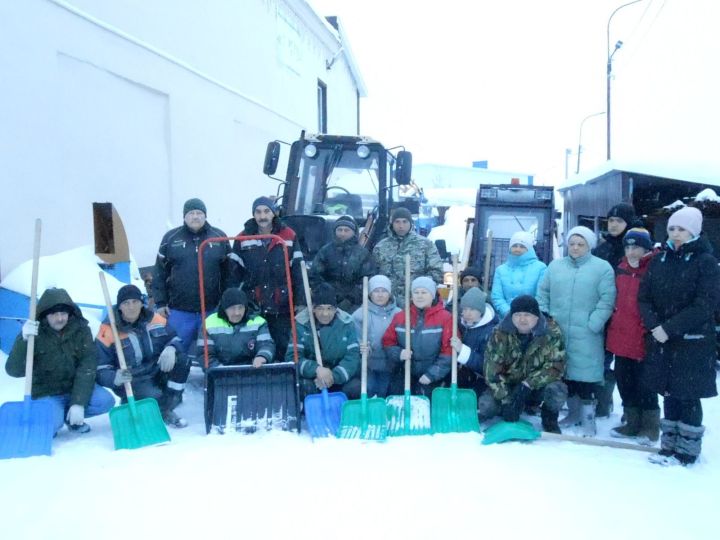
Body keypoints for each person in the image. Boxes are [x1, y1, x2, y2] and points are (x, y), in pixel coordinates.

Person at [638, 206, 719, 466]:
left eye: (681, 229)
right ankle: (668, 447)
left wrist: (668, 328)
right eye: (672, 228)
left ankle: (687, 451)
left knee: (688, 395)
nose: (675, 233)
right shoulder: (660, 259)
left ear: (693, 231)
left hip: (692, 341)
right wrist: (654, 326)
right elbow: (645, 297)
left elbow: (705, 304)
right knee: (669, 392)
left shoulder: (705, 261)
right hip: (662, 339)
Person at [537, 226, 616, 437]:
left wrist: (594, 323)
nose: (575, 248)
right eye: (572, 243)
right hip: (558, 331)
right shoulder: (555, 267)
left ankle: (588, 418)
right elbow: (542, 293)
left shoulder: (602, 268)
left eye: (581, 244)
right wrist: (547, 319)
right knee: (565, 374)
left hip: (588, 332)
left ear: (589, 246)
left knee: (586, 376)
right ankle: (572, 414)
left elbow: (607, 299)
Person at [6, 288, 114, 435]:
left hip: (74, 388)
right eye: (54, 314)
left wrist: (78, 403)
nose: (60, 318)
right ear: (45, 315)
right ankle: (52, 418)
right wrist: (23, 340)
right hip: (47, 393)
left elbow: (87, 367)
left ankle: (72, 418)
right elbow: (13, 370)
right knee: (52, 425)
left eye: (63, 313)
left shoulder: (81, 331)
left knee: (105, 400)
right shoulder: (33, 335)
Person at [96, 285, 190, 428]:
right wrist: (114, 377)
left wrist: (171, 348)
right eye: (126, 303)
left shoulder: (155, 319)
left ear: (141, 303)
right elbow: (100, 368)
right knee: (153, 396)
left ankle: (172, 399)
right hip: (132, 378)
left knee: (182, 360)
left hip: (155, 370)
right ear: (119, 307)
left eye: (135, 302)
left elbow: (175, 338)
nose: (131, 307)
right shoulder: (107, 330)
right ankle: (161, 409)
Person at [152, 198, 233, 352]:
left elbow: (230, 274)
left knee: (214, 352)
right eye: (191, 213)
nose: (195, 217)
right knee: (175, 350)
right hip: (180, 311)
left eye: (199, 213)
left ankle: (211, 376)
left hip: (212, 310)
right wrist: (161, 302)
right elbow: (159, 273)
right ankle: (175, 376)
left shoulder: (219, 237)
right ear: (184, 216)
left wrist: (226, 301)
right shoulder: (170, 238)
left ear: (205, 215)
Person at [479, 295, 567, 433]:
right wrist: (506, 400)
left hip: (535, 386)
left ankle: (549, 418)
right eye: (517, 315)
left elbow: (556, 367)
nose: (522, 319)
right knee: (487, 406)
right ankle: (506, 411)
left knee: (557, 390)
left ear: (536, 316)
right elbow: (492, 370)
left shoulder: (551, 332)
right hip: (508, 384)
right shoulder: (500, 333)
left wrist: (527, 385)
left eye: (527, 315)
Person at [231, 196, 303, 362]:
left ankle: (282, 376)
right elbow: (233, 274)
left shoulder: (289, 236)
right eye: (258, 212)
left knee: (282, 343)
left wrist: (300, 302)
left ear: (274, 213)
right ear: (253, 214)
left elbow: (298, 272)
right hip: (253, 303)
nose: (262, 216)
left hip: (282, 303)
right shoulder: (242, 238)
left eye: (266, 211)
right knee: (254, 343)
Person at [605, 228, 660, 443]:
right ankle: (631, 421)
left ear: (646, 248)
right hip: (620, 334)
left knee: (645, 383)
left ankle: (650, 426)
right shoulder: (621, 268)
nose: (631, 251)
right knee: (624, 380)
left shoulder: (654, 269)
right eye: (627, 247)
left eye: (636, 246)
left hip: (643, 336)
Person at [592, 202, 637, 417]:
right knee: (601, 360)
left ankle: (633, 411)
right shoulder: (601, 249)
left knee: (627, 367)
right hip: (602, 312)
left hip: (627, 315)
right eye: (610, 220)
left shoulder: (634, 248)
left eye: (619, 221)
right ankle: (602, 402)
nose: (613, 224)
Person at [287, 283, 361, 399]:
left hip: (338, 377)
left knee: (355, 387)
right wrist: (317, 369)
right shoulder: (301, 324)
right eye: (320, 308)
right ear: (313, 309)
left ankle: (344, 415)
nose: (325, 313)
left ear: (336, 309)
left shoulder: (346, 323)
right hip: (313, 378)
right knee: (304, 388)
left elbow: (353, 356)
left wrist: (333, 376)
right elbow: (293, 356)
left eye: (329, 308)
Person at [382, 277, 453, 397]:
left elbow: (449, 351)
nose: (419, 296)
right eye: (416, 292)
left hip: (433, 374)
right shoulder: (401, 317)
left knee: (428, 402)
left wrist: (432, 374)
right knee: (397, 399)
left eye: (424, 292)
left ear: (432, 295)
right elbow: (388, 341)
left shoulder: (445, 318)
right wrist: (398, 353)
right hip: (406, 373)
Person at [372, 207, 444, 307]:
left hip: (416, 302)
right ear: (392, 224)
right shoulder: (381, 247)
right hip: (388, 303)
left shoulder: (425, 244)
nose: (401, 226)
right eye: (397, 222)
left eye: (405, 222)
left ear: (411, 223)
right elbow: (374, 274)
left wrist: (420, 288)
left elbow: (436, 272)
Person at [193, 287, 275, 369]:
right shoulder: (209, 323)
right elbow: (204, 354)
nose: (237, 313)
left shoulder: (259, 322)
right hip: (219, 373)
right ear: (224, 309)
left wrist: (262, 357)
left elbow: (266, 344)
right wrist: (219, 370)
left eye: (240, 307)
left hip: (252, 370)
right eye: (232, 308)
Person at [309, 215, 376, 313]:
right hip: (327, 303)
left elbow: (367, 279)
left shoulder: (363, 254)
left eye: (346, 230)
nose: (342, 233)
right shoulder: (325, 251)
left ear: (354, 233)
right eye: (339, 230)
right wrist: (327, 295)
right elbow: (315, 276)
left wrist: (350, 300)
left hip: (355, 305)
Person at [351, 274, 401, 398]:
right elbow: (353, 339)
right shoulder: (359, 315)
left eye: (384, 291)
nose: (380, 295)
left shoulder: (399, 314)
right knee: (369, 390)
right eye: (376, 291)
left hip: (392, 364)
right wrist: (361, 347)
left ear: (389, 293)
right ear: (369, 294)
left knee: (387, 392)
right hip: (369, 364)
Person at [449, 287, 499, 395]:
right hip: (466, 372)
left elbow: (487, 366)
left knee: (474, 398)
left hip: (484, 378)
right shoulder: (460, 325)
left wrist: (462, 350)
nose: (467, 314)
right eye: (465, 309)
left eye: (472, 309)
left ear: (481, 311)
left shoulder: (492, 332)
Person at [491, 231, 547, 318]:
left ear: (529, 248)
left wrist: (527, 314)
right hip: (506, 319)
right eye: (514, 246)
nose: (517, 249)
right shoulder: (500, 270)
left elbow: (541, 296)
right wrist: (508, 312)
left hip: (531, 319)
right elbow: (497, 297)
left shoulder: (540, 268)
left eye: (522, 246)